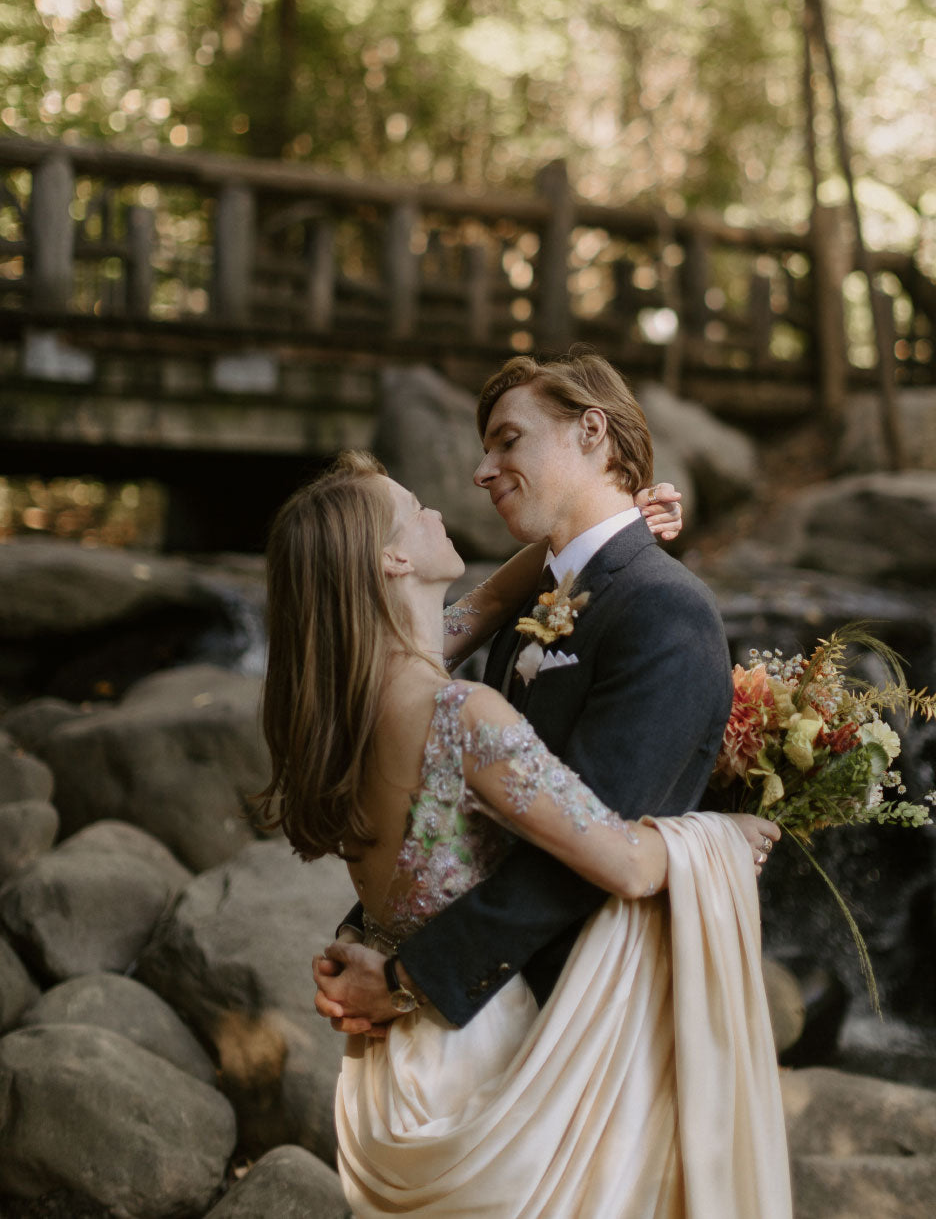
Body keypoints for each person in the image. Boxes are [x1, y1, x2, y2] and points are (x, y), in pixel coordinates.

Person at [263, 354, 789, 1216]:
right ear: (390, 565)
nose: (456, 489)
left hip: (412, 1066)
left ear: (591, 432)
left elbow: (435, 831)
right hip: (495, 1054)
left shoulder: (356, 688)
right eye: (414, 511)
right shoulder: (458, 703)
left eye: (506, 439)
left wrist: (608, 527)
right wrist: (715, 840)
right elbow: (613, 856)